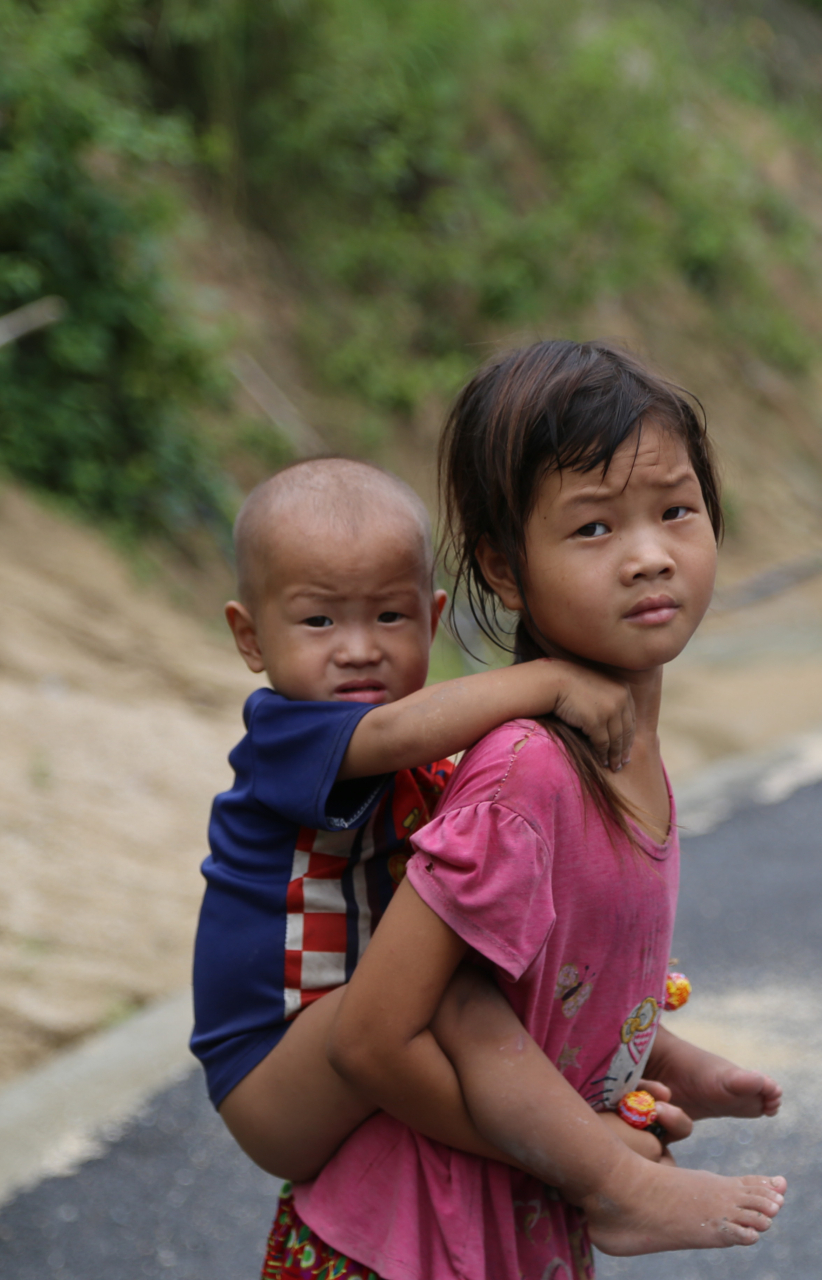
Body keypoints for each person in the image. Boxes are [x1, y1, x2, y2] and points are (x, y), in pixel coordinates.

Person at [283, 341, 789, 1279]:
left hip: (503, 1235)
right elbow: (374, 1039)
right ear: (506, 570)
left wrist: (665, 1064)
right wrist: (595, 1167)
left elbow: (547, 998)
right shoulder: (528, 774)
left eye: (676, 512)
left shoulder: (627, 758)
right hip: (404, 1245)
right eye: (593, 529)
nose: (648, 556)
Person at [191, 457, 751, 1231]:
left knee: (485, 961)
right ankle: (604, 1171)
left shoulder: (425, 749)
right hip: (268, 1065)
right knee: (458, 999)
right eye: (319, 621)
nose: (359, 648)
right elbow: (388, 730)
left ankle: (658, 1056)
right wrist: (550, 682)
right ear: (250, 637)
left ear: (431, 619)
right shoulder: (286, 734)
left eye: (389, 617)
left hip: (342, 1021)